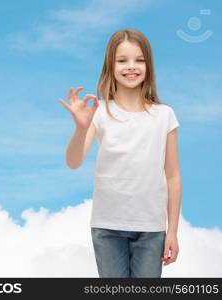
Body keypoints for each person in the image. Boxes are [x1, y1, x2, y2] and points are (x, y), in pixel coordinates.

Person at [59, 29, 182, 278]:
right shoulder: (100, 111)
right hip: (108, 227)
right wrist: (81, 128)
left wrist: (172, 231)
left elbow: (172, 177)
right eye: (122, 60)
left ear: (148, 65)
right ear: (110, 66)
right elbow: (73, 161)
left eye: (139, 60)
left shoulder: (164, 115)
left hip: (151, 229)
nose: (131, 67)